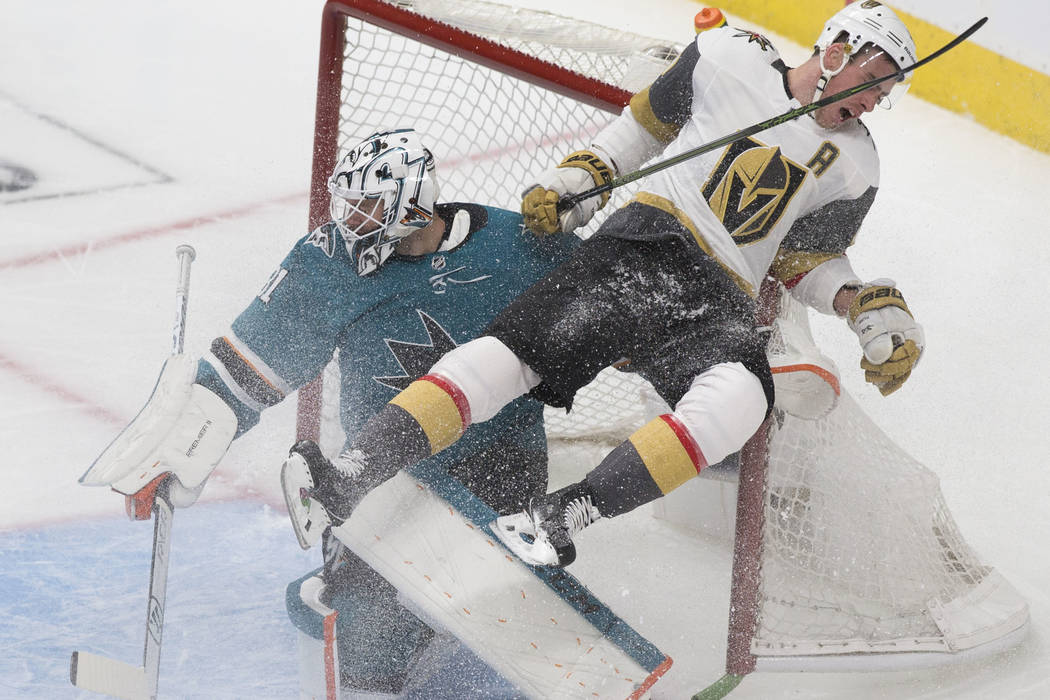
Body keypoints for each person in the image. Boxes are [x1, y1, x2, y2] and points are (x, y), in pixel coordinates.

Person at [282, 2, 926, 571]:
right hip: (643, 246)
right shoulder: (730, 57)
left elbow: (804, 259)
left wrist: (858, 301)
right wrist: (574, 184)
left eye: (884, 94)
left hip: (719, 297)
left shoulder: (858, 165)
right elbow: (644, 126)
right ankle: (346, 473)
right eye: (872, 82)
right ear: (838, 50)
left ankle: (563, 516)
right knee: (513, 356)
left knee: (742, 398)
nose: (873, 103)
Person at [85, 127, 579, 696]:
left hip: (497, 461)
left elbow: (617, 319)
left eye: (368, 206)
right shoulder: (331, 260)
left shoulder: (521, 245)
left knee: (479, 623)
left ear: (413, 203)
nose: (351, 221)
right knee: (370, 657)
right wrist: (180, 449)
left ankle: (413, 600)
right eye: (347, 204)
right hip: (375, 472)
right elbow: (248, 371)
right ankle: (354, 587)